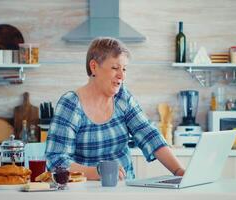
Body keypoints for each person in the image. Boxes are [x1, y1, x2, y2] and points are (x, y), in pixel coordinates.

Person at [45, 37, 184, 180]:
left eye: (124, 69)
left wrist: (179, 171)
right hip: (85, 189)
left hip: (125, 188)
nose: (122, 75)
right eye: (115, 68)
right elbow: (56, 161)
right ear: (94, 67)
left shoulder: (122, 97)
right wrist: (100, 172)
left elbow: (149, 135)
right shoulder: (71, 104)